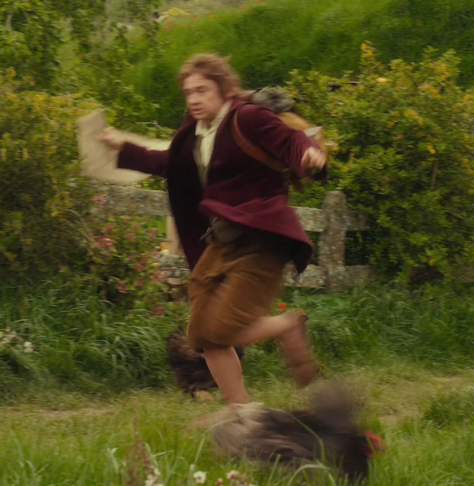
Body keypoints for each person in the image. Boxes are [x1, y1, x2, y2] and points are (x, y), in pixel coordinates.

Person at [97, 53, 328, 405]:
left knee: (222, 329)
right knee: (201, 335)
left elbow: (292, 141)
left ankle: (287, 326)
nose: (193, 99)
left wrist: (311, 156)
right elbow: (168, 163)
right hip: (219, 241)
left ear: (225, 89)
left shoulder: (248, 117)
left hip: (261, 239)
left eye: (202, 90)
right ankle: (241, 411)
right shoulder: (195, 133)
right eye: (189, 92)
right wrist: (122, 148)